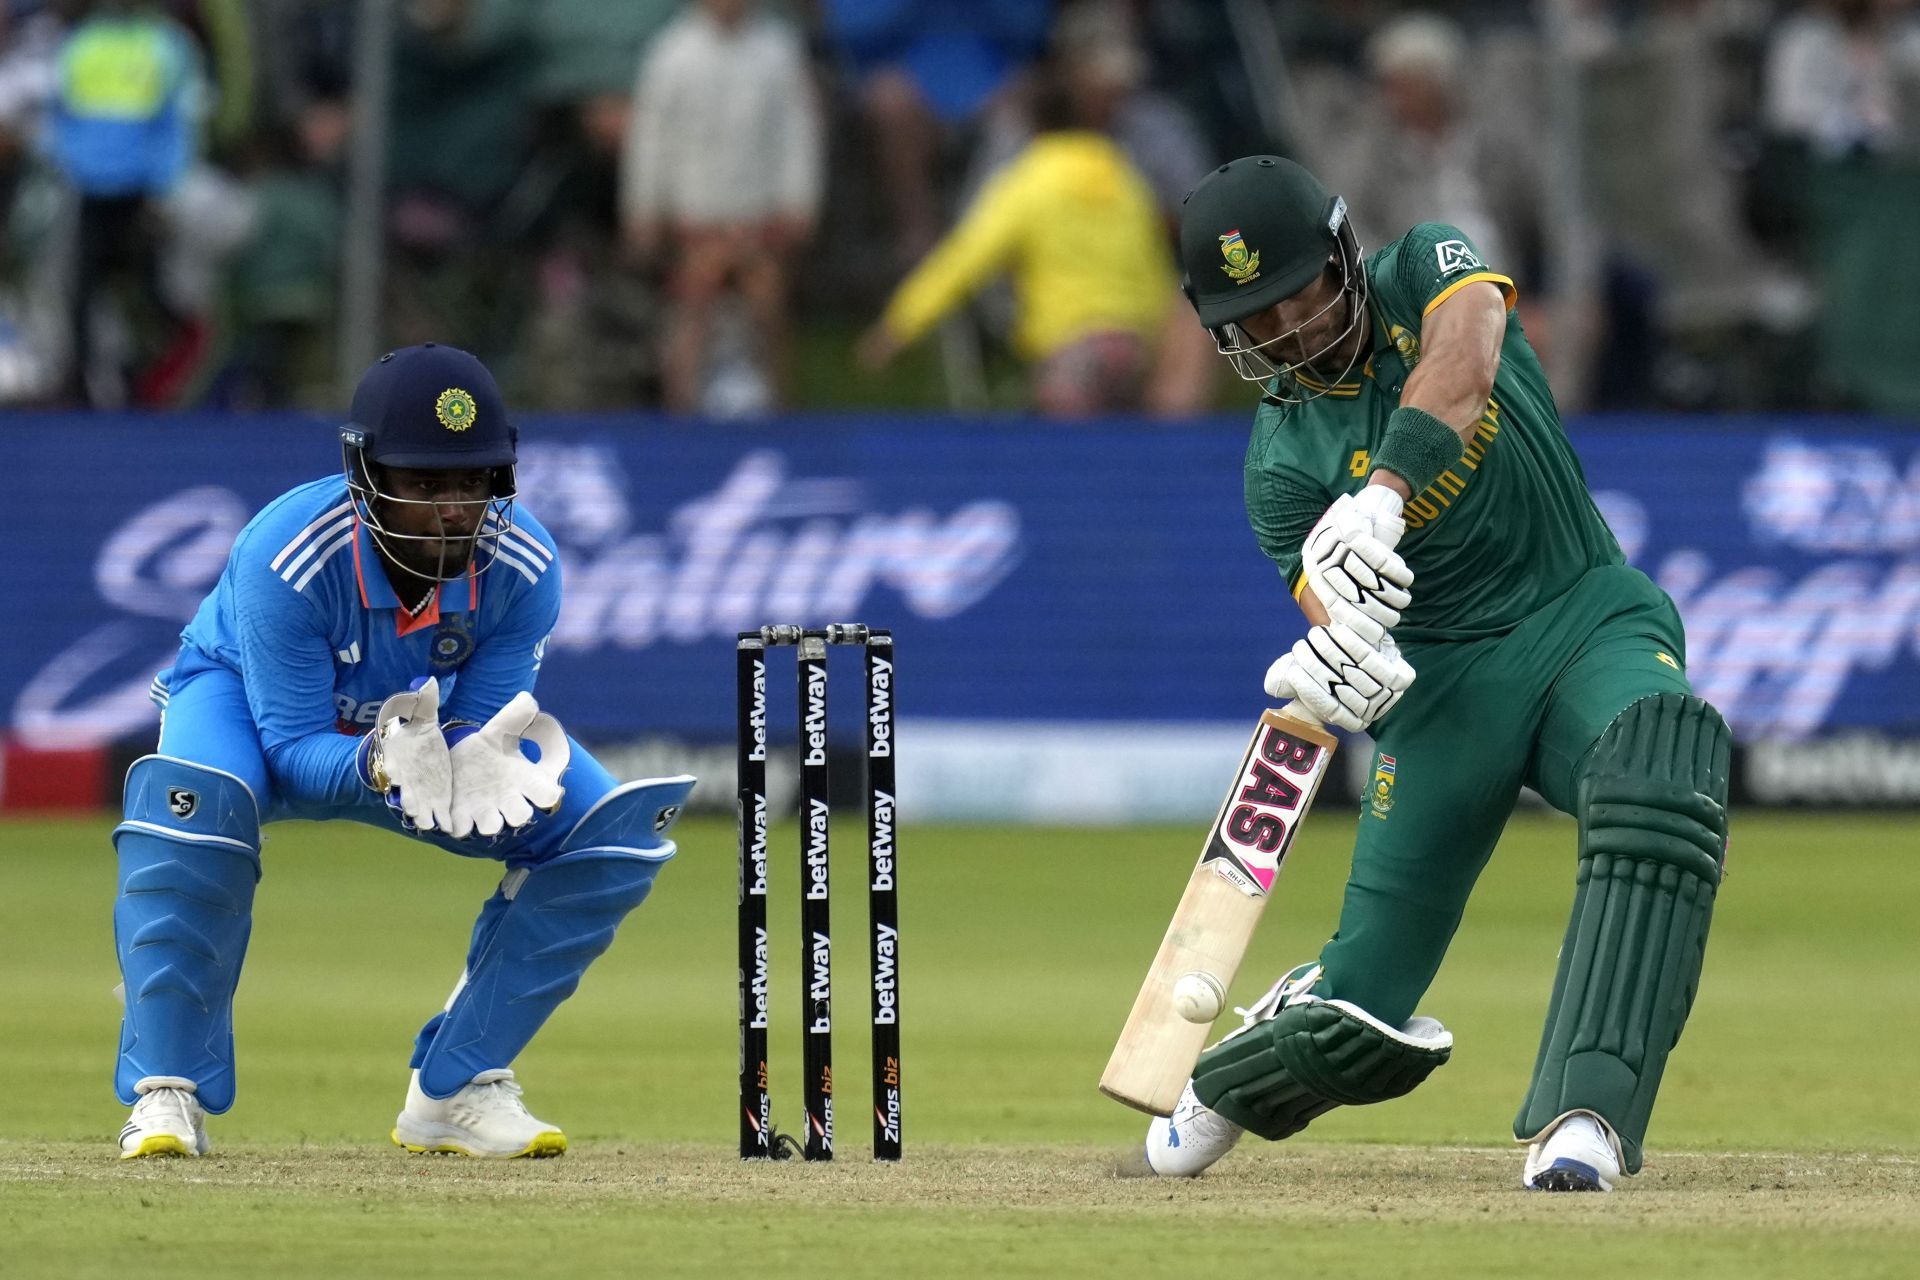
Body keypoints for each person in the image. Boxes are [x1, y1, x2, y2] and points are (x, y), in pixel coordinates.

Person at [1141, 157, 1730, 1192]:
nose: (1283, 333)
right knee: (1365, 1012)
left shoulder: (1425, 265)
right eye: (1253, 320)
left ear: (1343, 257)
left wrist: (1386, 488)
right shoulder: (1277, 468)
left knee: (1659, 762)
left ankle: (1584, 1114)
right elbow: (1333, 614)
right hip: (1444, 695)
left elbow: (1465, 360)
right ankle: (1242, 1065)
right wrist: (1339, 661)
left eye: (1298, 297)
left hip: (1581, 614)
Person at [111, 342, 695, 1160]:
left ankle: (456, 1088)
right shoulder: (289, 555)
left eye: (474, 481)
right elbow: (288, 751)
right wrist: (380, 762)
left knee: (609, 834)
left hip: (412, 733)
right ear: (364, 472)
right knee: (198, 812)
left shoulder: (523, 565)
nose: (454, 508)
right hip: (244, 704)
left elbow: (482, 729)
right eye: (424, 484)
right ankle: (165, 1092)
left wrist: (463, 756)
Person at [856, 56, 1180, 416]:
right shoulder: (1123, 175)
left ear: (1033, 121)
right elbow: (1152, 260)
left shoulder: (1030, 181)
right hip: (1134, 345)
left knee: (1068, 457)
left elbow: (965, 258)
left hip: (1070, 347)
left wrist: (897, 327)